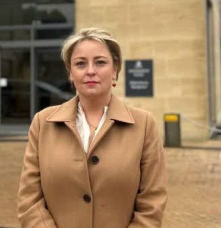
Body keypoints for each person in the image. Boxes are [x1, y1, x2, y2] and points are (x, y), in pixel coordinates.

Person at [17, 27, 167, 228]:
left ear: (115, 70)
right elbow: (29, 200)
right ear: (70, 72)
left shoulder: (144, 125)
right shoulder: (43, 123)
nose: (90, 71)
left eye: (100, 62)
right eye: (80, 63)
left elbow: (152, 202)